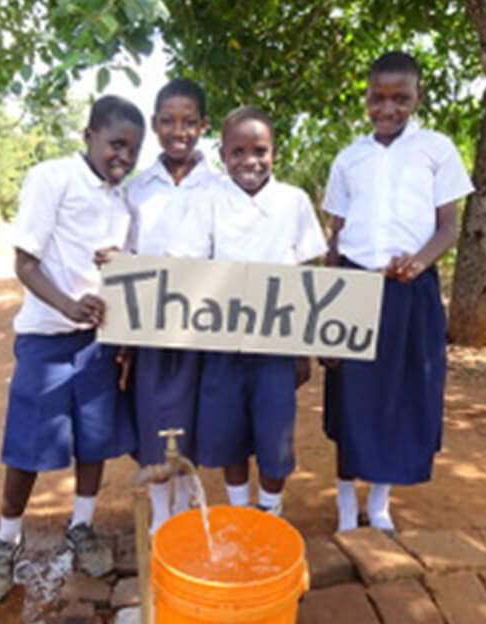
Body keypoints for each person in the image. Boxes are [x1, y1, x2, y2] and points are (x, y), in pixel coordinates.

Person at [0, 95, 145, 603]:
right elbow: (25, 263)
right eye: (117, 143)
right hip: (46, 340)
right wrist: (69, 306)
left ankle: (82, 526)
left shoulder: (124, 202)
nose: (124, 157)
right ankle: (6, 541)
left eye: (134, 150)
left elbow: (125, 275)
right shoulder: (52, 178)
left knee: (94, 440)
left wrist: (124, 335)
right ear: (89, 134)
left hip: (98, 343)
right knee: (28, 444)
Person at [322, 51, 474, 534]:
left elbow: (448, 226)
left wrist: (420, 260)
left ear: (417, 98)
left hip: (411, 292)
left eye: (400, 98)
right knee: (351, 396)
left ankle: (380, 502)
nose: (388, 108)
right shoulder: (350, 159)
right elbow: (335, 235)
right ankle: (347, 503)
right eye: (378, 98)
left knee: (400, 396)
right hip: (355, 285)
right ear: (366, 98)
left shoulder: (436, 149)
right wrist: (326, 306)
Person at [168, 106, 327, 516]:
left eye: (259, 150)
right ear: (222, 155)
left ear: (274, 151)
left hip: (277, 345)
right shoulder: (208, 200)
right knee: (228, 431)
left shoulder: (293, 201)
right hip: (221, 343)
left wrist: (303, 347)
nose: (249, 161)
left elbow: (310, 275)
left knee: (275, 435)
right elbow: (187, 268)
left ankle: (270, 509)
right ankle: (239, 508)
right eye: (237, 152)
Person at [125, 78, 219, 533]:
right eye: (167, 121)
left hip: (204, 324)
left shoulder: (220, 189)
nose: (177, 131)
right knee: (154, 415)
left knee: (193, 418)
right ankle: (161, 513)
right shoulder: (137, 189)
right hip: (150, 325)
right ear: (154, 124)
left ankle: (187, 507)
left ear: (203, 125)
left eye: (188, 122)